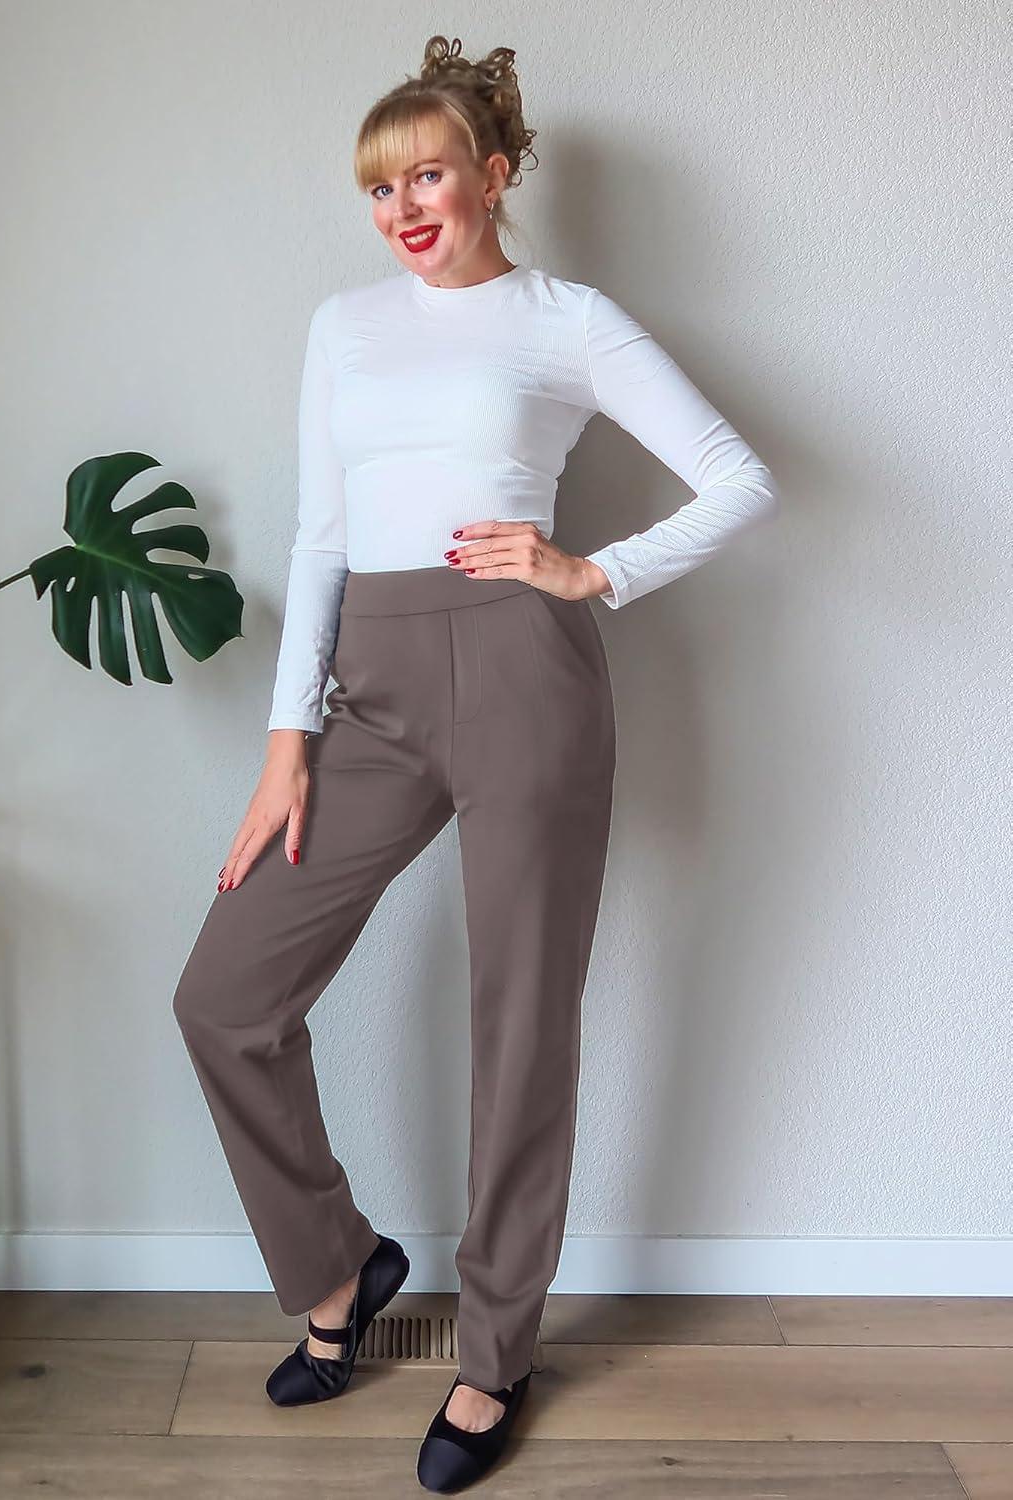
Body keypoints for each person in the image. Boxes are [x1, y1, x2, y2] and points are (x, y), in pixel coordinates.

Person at [172, 32, 779, 1493]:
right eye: (380, 188)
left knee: (520, 1031)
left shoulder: (569, 320)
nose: (402, 209)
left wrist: (592, 572)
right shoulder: (344, 327)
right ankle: (341, 1268)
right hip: (372, 692)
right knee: (225, 998)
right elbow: (323, 537)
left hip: (524, 681)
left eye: (428, 176)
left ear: (494, 175)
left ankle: (496, 1355)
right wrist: (287, 744)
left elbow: (742, 479)